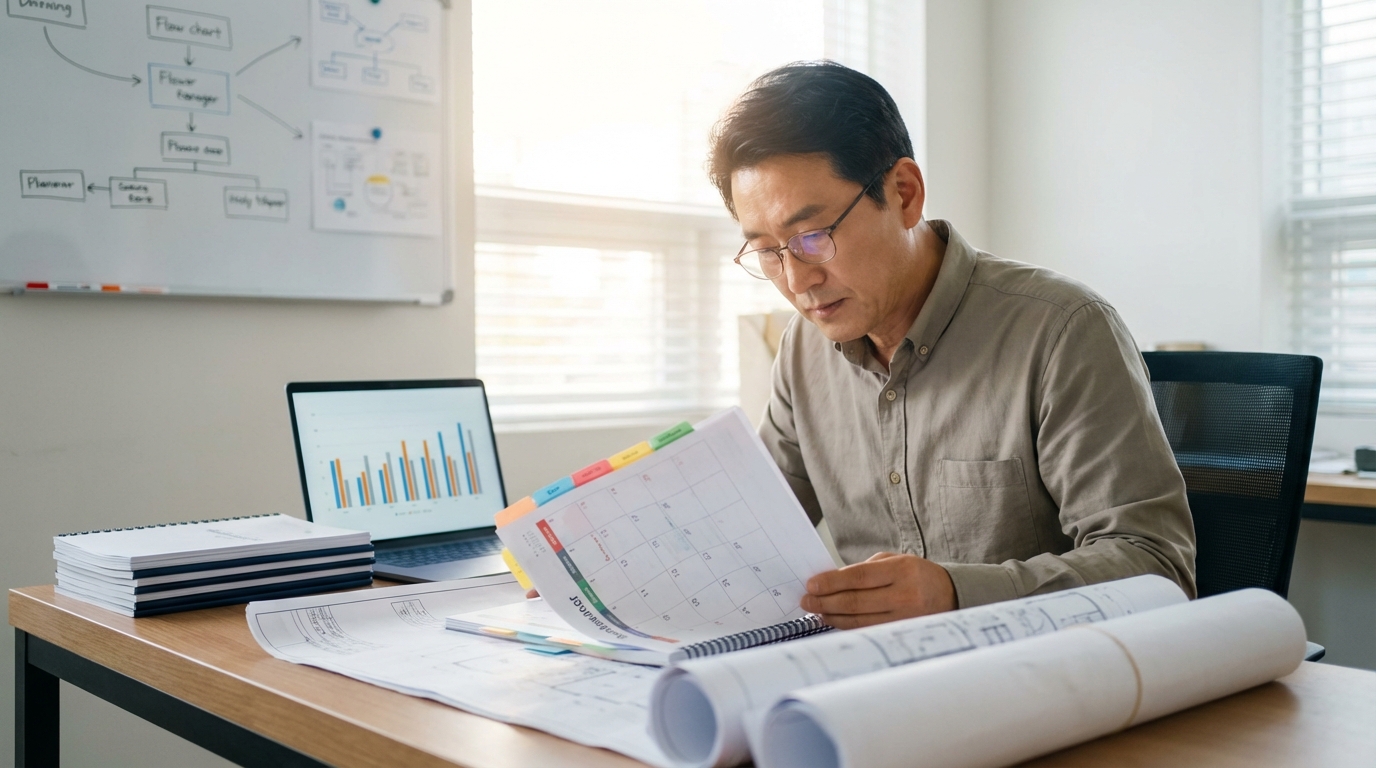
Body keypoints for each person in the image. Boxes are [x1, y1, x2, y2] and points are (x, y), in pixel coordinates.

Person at [709, 61, 1195, 629]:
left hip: (1044, 682)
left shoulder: (1062, 330)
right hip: (872, 680)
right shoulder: (803, 351)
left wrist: (955, 593)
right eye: (768, 251)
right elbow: (752, 537)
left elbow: (1157, 568)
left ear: (905, 193)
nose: (796, 281)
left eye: (814, 236)